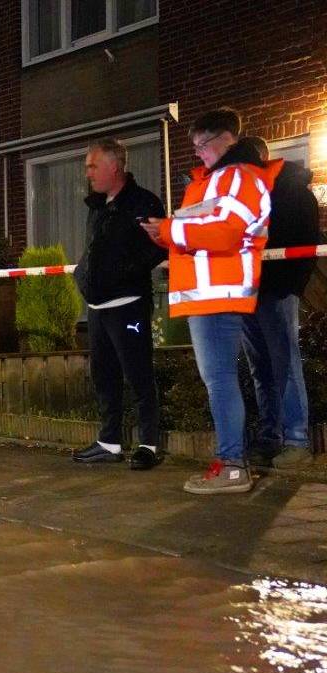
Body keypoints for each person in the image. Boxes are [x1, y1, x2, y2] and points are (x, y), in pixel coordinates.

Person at [141, 108, 277, 495]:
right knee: (218, 381)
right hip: (210, 295)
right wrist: (168, 236)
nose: (198, 153)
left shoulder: (239, 177)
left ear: (225, 140)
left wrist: (169, 229)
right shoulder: (224, 179)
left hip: (218, 295)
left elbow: (226, 232)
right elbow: (207, 231)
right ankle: (230, 461)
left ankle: (233, 466)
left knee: (219, 381)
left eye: (202, 144)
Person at [71, 137, 167, 470]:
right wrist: (84, 276)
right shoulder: (98, 206)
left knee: (138, 373)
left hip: (128, 305)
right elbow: (96, 249)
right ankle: (109, 442)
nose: (88, 173)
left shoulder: (143, 203)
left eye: (92, 165)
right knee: (104, 375)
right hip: (98, 309)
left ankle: (149, 445)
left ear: (115, 166)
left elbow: (159, 248)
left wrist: (122, 273)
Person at [236, 136, 317, 469]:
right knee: (261, 368)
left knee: (284, 363)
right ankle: (272, 436)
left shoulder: (292, 193)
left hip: (275, 292)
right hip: (249, 293)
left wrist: (290, 287)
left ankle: (296, 439)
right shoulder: (246, 194)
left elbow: (308, 241)